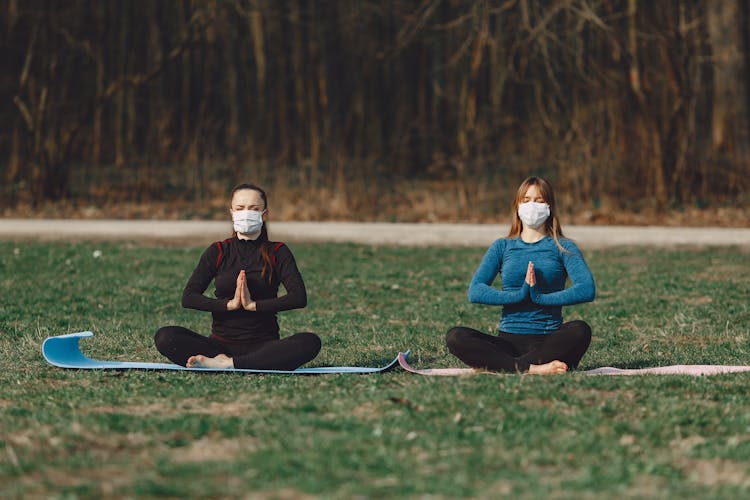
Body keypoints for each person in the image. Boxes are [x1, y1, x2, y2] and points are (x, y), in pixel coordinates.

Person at [154, 183, 321, 370]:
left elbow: (299, 297)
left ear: (264, 214)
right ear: (232, 212)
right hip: (218, 347)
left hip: (264, 346)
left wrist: (254, 306)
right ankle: (226, 361)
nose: (246, 213)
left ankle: (228, 364)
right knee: (165, 337)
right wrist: (229, 305)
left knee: (310, 342)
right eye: (240, 209)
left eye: (254, 208)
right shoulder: (218, 250)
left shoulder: (278, 252)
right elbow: (189, 298)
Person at [445, 176, 595, 374]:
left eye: (539, 200)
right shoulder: (502, 246)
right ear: (517, 206)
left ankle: (504, 366)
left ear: (549, 206)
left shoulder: (564, 247)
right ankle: (531, 368)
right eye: (526, 200)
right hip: (508, 341)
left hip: (550, 342)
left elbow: (587, 289)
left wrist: (540, 297)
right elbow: (476, 291)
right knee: (456, 336)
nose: (532, 205)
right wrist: (520, 294)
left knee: (580, 330)